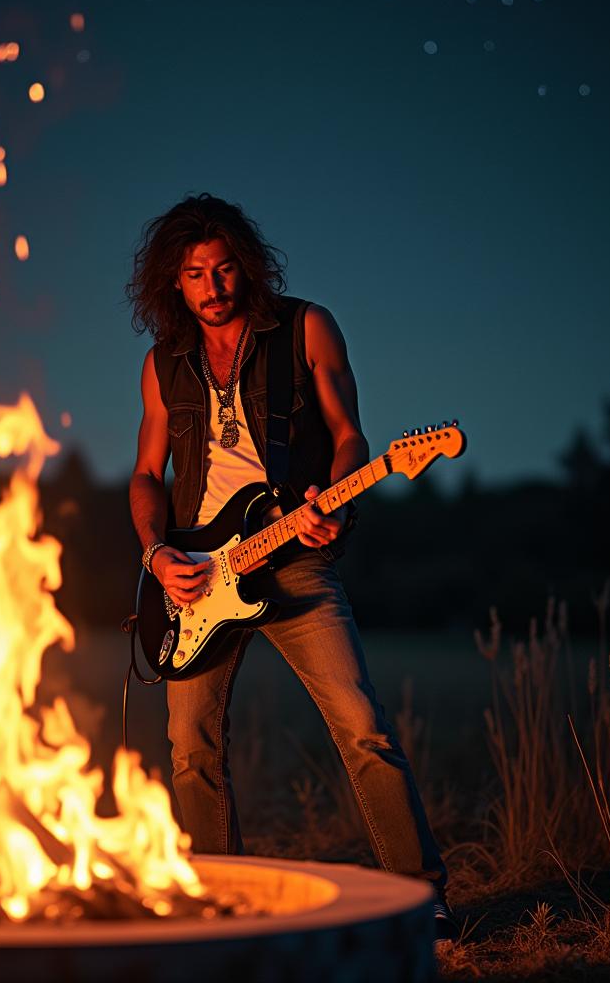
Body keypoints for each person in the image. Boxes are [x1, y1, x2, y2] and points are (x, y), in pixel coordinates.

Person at [126, 193, 458, 942]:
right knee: (190, 750)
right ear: (173, 283)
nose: (213, 286)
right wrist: (157, 555)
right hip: (198, 577)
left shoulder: (307, 326)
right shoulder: (161, 364)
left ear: (247, 265)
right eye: (195, 274)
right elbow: (146, 474)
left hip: (295, 559)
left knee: (362, 725)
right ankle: (215, 907)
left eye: (224, 268)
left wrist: (331, 501)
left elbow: (350, 436)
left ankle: (419, 894)